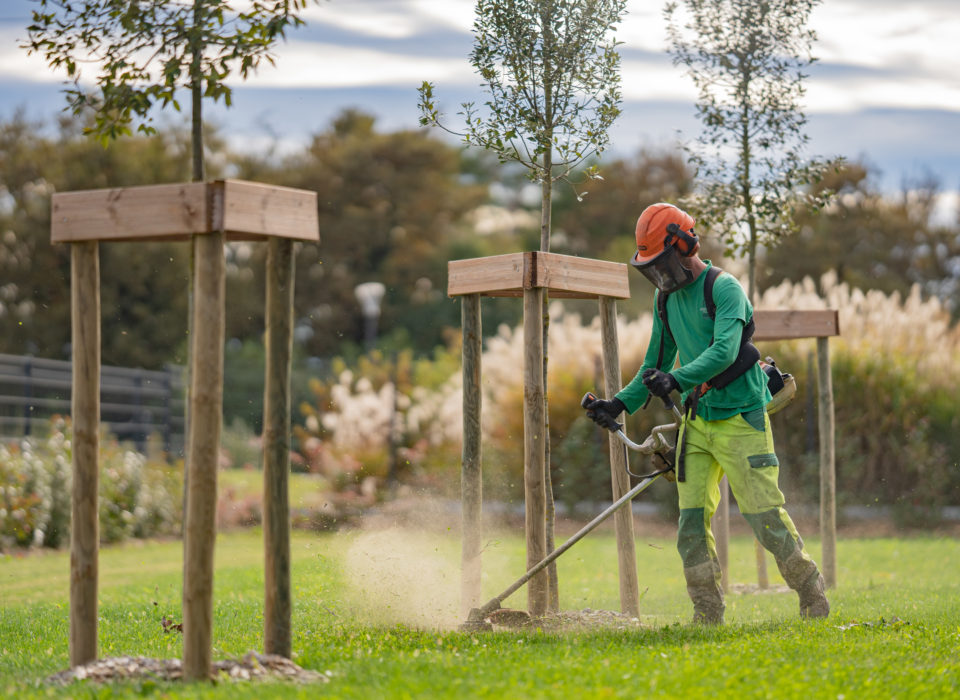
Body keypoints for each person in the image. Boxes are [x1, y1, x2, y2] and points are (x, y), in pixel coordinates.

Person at [585, 202, 829, 624]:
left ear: (685, 244)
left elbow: (725, 351)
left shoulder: (724, 288)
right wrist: (619, 404)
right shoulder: (665, 300)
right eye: (652, 267)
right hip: (698, 422)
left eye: (663, 262)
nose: (660, 274)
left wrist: (677, 380)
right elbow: (653, 363)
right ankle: (707, 613)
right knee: (691, 522)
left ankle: (811, 593)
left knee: (764, 517)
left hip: (741, 416)